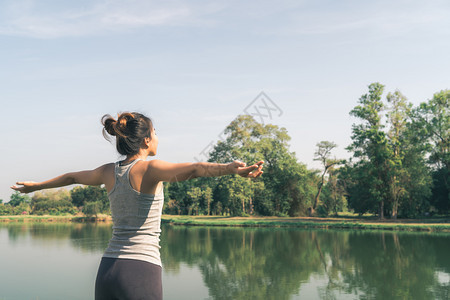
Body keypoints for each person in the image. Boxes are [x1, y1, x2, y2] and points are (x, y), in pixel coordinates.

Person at [11, 111, 264, 300]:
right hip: (140, 270)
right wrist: (230, 169)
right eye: (155, 133)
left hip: (107, 270)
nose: (157, 137)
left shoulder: (107, 171)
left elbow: (72, 177)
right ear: (145, 141)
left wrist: (36, 186)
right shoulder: (150, 168)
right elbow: (195, 169)